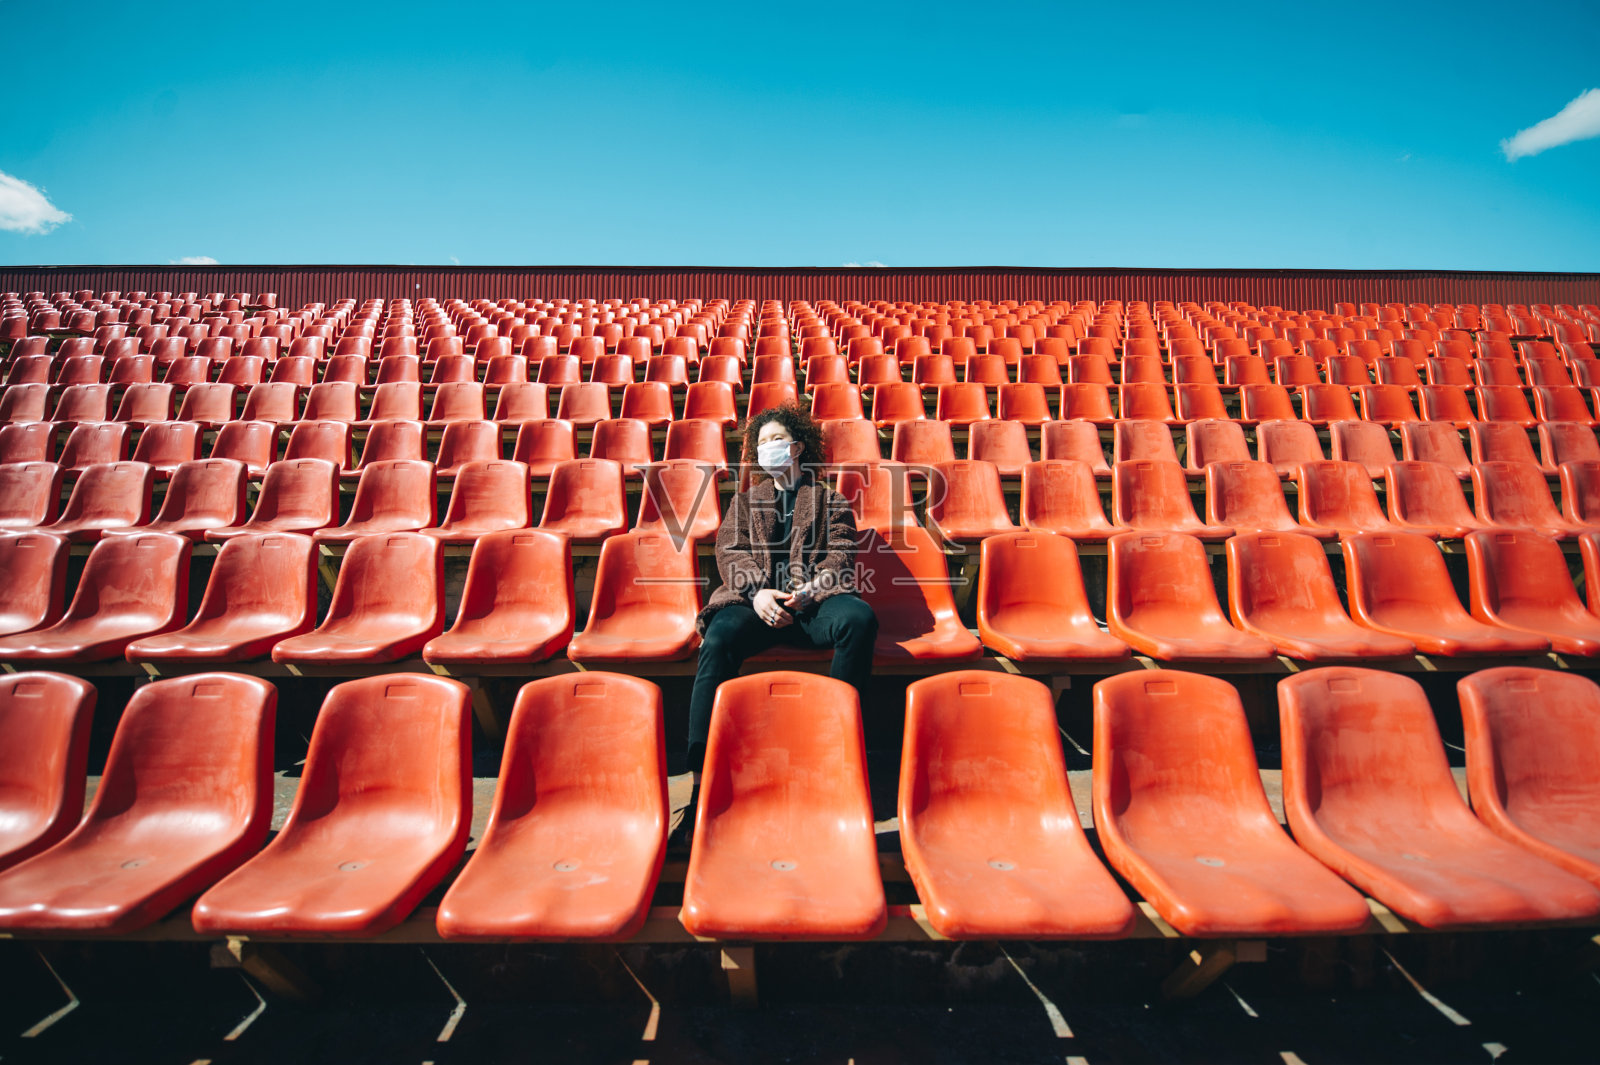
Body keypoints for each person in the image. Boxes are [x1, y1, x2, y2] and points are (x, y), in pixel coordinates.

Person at [684, 401, 878, 777]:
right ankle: (700, 767)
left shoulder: (831, 500)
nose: (767, 446)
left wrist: (814, 588)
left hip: (811, 607)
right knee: (719, 636)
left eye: (777, 438)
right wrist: (757, 592)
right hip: (753, 605)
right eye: (761, 442)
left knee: (859, 618)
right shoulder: (743, 503)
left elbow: (840, 555)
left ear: (797, 447)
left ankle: (837, 749)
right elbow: (730, 552)